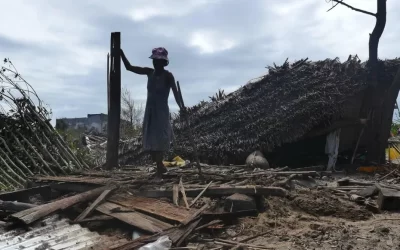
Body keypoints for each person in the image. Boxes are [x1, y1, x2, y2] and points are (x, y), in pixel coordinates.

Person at [120, 47, 184, 176]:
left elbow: (176, 94)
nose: (156, 63)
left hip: (161, 111)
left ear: (164, 62)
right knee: (149, 138)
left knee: (160, 138)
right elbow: (129, 67)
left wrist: (182, 107)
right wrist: (121, 53)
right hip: (150, 110)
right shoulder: (149, 72)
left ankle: (160, 165)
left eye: (159, 61)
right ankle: (159, 165)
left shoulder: (168, 76)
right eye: (154, 60)